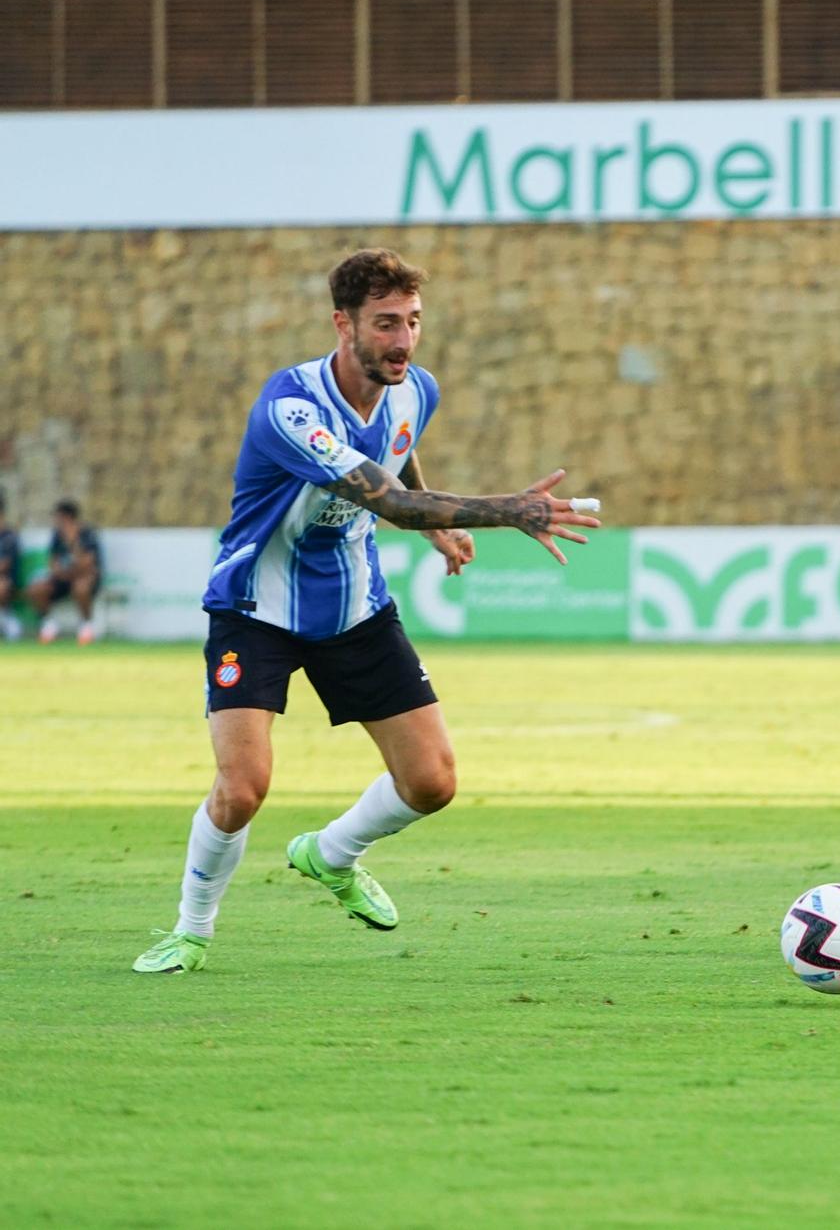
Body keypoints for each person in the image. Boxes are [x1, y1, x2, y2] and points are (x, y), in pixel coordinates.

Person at [131, 248, 602, 975]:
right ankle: (190, 932)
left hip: (355, 606)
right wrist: (510, 509)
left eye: (413, 321)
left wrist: (437, 523)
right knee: (243, 787)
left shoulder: (417, 389)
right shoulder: (292, 409)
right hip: (257, 606)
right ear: (342, 324)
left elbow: (398, 457)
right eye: (386, 324)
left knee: (432, 782)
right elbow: (392, 501)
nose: (403, 339)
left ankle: (330, 854)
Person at [27, 500, 102, 644]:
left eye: (58, 517)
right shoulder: (57, 535)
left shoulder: (87, 533)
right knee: (36, 589)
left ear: (67, 517)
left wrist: (72, 541)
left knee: (81, 587)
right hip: (64, 577)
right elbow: (52, 561)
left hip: (83, 577)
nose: (56, 521)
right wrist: (59, 572)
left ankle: (87, 625)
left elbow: (87, 564)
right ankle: (49, 625)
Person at [0, 491, 20, 642]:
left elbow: (4, 565)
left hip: (7, 581)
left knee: (1, 585)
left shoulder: (9, 537)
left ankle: (6, 618)